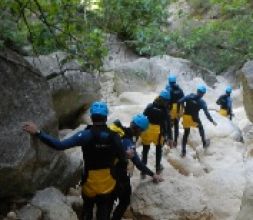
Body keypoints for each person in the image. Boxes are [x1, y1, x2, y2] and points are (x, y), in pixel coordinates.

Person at [23, 101, 127, 220]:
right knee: (103, 213)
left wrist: (38, 132)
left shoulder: (84, 135)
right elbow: (123, 160)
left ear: (92, 117)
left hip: (90, 184)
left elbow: (59, 145)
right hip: (108, 184)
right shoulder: (114, 137)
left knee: (87, 210)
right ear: (106, 117)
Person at [108, 114, 163, 220]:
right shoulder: (128, 141)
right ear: (139, 130)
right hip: (118, 174)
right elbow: (138, 163)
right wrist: (153, 174)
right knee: (124, 200)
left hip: (106, 171)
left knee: (109, 200)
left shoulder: (120, 133)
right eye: (142, 131)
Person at [140, 90, 173, 177]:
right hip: (158, 132)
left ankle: (143, 172)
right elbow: (168, 125)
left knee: (145, 150)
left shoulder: (150, 106)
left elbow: (143, 117)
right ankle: (158, 168)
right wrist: (170, 137)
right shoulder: (165, 111)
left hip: (147, 130)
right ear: (166, 101)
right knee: (158, 150)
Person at [178, 85, 217, 157]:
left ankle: (183, 151)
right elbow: (207, 113)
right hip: (194, 119)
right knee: (201, 128)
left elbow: (180, 101)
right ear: (203, 94)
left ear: (197, 91)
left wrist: (182, 108)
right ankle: (204, 143)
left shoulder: (189, 96)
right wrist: (212, 121)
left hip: (186, 117)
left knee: (186, 134)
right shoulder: (202, 102)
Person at [166, 74, 184, 147]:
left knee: (169, 125)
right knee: (176, 125)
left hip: (171, 108)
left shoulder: (168, 88)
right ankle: (175, 141)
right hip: (179, 109)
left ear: (169, 82)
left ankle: (169, 140)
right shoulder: (180, 89)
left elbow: (166, 99)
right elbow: (183, 99)